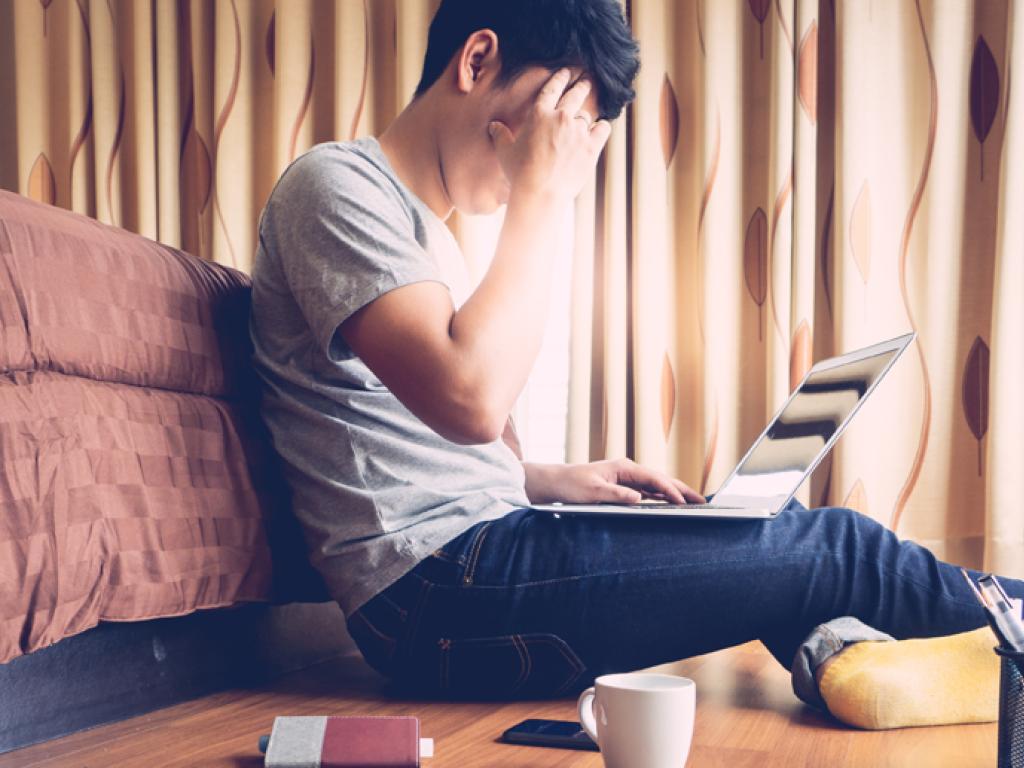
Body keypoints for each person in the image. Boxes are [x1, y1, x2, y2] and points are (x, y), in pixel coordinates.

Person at [250, 0, 1021, 729]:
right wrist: (542, 196)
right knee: (834, 547)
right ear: (477, 59)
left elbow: (417, 449)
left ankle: (868, 669)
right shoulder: (335, 186)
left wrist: (550, 479)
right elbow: (470, 398)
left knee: (775, 530)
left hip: (480, 555)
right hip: (436, 598)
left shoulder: (431, 240)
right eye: (558, 125)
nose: (554, 160)